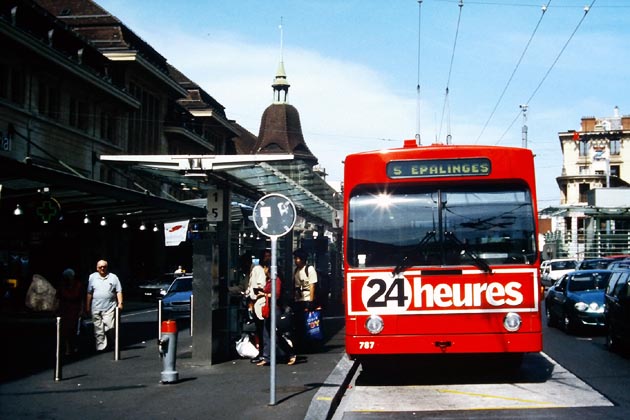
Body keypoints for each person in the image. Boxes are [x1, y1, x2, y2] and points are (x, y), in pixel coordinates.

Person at [253, 261, 296, 366]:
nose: (264, 270)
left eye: (265, 267)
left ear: (268, 268)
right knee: (266, 334)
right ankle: (267, 357)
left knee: (275, 335)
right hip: (268, 310)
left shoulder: (276, 280)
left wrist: (263, 294)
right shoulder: (269, 280)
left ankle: (290, 353)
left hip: (275, 310)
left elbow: (276, 294)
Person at [86, 260, 123, 352]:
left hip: (109, 307)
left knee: (110, 326)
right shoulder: (92, 277)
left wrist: (120, 303)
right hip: (96, 307)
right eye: (100, 267)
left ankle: (112, 342)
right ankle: (101, 347)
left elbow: (119, 291)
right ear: (97, 268)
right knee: (98, 329)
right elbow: (89, 293)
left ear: (107, 267)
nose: (102, 268)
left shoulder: (113, 277)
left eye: (104, 266)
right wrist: (87, 306)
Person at [245, 249, 271, 356]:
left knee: (262, 329)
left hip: (260, 302)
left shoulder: (259, 270)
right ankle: (263, 353)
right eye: (266, 256)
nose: (268, 258)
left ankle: (264, 354)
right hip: (259, 302)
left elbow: (259, 287)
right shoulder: (258, 269)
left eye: (269, 256)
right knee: (261, 329)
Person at [293, 248, 318, 350]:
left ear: (302, 259)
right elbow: (296, 286)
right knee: (299, 323)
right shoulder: (296, 270)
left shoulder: (310, 269)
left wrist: (311, 302)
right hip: (299, 300)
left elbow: (312, 286)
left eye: (297, 258)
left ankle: (310, 343)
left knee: (309, 323)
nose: (295, 260)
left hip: (307, 299)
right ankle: (301, 343)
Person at [58, 268, 83, 356]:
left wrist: (81, 310)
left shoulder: (78, 285)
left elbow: (79, 298)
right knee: (65, 330)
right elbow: (59, 297)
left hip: (74, 310)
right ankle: (68, 348)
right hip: (65, 310)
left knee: (75, 330)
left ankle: (74, 346)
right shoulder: (62, 285)